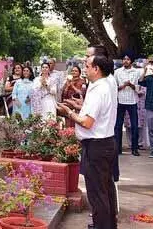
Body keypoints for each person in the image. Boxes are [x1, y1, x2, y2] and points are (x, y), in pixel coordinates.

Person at [57, 54, 118, 229]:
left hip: (97, 145)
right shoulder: (106, 84)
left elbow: (87, 122)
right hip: (104, 142)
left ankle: (102, 225)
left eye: (87, 65)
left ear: (96, 69)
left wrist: (68, 112)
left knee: (97, 193)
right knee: (105, 190)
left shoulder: (99, 89)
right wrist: (79, 106)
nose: (85, 68)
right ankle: (108, 225)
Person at [114, 54, 141, 156]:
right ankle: (118, 148)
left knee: (134, 125)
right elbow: (114, 87)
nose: (125, 61)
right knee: (118, 126)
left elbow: (139, 88)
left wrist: (131, 85)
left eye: (128, 59)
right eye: (124, 59)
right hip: (120, 101)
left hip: (132, 101)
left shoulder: (136, 72)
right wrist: (124, 85)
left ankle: (134, 149)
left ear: (131, 61)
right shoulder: (117, 72)